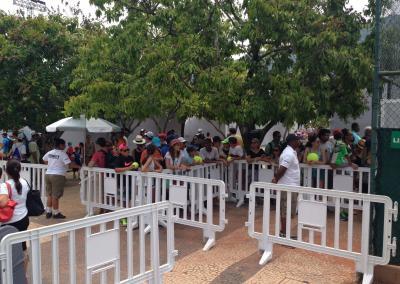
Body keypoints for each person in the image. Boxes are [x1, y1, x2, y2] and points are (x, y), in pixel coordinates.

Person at [272, 134, 301, 237]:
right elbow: (282, 169)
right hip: (287, 186)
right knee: (286, 210)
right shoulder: (289, 153)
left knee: (287, 211)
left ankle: (284, 232)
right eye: (298, 140)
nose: (299, 141)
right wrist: (276, 179)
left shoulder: (291, 152)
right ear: (293, 141)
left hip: (290, 186)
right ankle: (284, 233)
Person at [0, 160, 30, 250]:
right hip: (24, 217)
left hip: (9, 221)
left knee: (7, 249)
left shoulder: (5, 185)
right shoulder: (25, 182)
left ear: (6, 171)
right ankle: (23, 263)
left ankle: (10, 264)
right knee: (22, 247)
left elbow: (3, 203)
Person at [42, 138, 73, 219]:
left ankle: (48, 212)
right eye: (64, 144)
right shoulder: (62, 154)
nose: (65, 146)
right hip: (58, 175)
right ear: (60, 145)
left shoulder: (50, 152)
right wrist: (80, 166)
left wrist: (51, 165)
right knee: (55, 195)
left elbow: (44, 160)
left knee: (49, 194)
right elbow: (69, 165)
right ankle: (56, 213)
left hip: (48, 174)